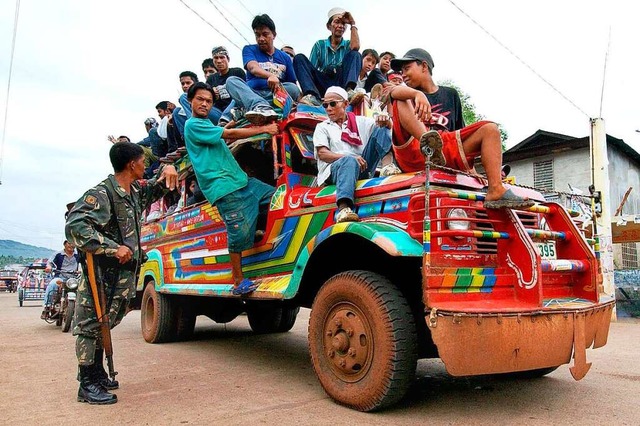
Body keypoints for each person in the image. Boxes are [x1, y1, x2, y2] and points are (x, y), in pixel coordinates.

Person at [66, 142, 178, 404]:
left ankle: (96, 373)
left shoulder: (133, 192)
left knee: (106, 322)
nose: (145, 166)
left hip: (122, 276)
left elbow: (160, 185)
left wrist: (170, 165)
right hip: (102, 274)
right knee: (89, 326)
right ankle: (86, 383)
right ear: (131, 164)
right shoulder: (102, 194)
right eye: (142, 162)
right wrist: (111, 248)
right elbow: (75, 226)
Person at [387, 48, 533, 209]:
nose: (403, 74)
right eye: (401, 71)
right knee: (400, 98)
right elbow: (392, 91)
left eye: (407, 68)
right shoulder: (406, 93)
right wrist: (416, 94)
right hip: (414, 148)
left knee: (491, 129)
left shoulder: (450, 95)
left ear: (424, 66)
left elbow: (458, 132)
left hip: (442, 150)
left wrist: (471, 171)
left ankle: (496, 189)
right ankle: (429, 143)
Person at [184, 82, 279, 295]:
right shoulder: (192, 125)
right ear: (191, 101)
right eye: (200, 99)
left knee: (276, 197)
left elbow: (223, 134)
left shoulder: (206, 126)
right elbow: (229, 136)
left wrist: (230, 126)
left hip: (242, 182)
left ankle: (255, 227)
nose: (205, 104)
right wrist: (263, 128)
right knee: (237, 233)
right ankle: (238, 282)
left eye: (209, 101)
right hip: (224, 188)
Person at [313, 86, 397, 223]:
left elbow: (386, 130)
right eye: (325, 105)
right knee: (349, 161)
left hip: (362, 166)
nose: (328, 108)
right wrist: (349, 158)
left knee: (381, 128)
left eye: (333, 103)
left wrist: (386, 121)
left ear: (345, 104)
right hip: (334, 170)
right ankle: (343, 209)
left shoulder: (361, 121)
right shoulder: (322, 127)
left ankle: (388, 167)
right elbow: (322, 154)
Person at [220, 14, 300, 125]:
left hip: (275, 95)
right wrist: (270, 76)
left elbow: (292, 84)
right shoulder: (249, 49)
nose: (261, 39)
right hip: (252, 92)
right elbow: (253, 68)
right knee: (231, 81)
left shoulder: (285, 57)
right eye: (257, 35)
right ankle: (259, 105)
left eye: (265, 34)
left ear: (274, 35)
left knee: (293, 88)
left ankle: (248, 108)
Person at [293, 7, 361, 106]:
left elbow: (355, 47)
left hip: (341, 84)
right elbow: (311, 71)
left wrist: (352, 23)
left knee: (355, 54)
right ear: (329, 26)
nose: (340, 26)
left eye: (343, 24)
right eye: (337, 22)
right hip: (323, 83)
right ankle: (312, 96)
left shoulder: (348, 45)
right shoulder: (319, 45)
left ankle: (349, 92)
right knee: (299, 58)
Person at [205, 46, 247, 125]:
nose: (219, 61)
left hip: (236, 111)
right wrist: (212, 95)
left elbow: (245, 93)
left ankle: (225, 119)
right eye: (216, 58)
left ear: (228, 59)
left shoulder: (237, 72)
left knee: (237, 95)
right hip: (218, 114)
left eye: (222, 57)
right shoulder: (211, 79)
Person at [41, 240, 80, 318]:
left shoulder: (78, 255)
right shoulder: (58, 254)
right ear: (65, 244)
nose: (71, 245)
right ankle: (47, 307)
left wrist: (80, 270)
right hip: (60, 277)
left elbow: (85, 263)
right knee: (52, 285)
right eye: (69, 243)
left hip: (74, 278)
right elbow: (50, 263)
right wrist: (49, 267)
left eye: (73, 244)